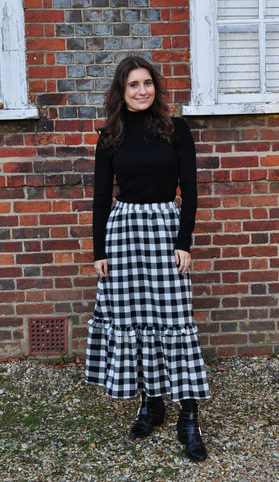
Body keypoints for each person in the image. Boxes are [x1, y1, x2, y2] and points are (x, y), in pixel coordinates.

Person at [85, 55, 210, 462]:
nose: (142, 91)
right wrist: (99, 250)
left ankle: (187, 416)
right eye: (133, 85)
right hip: (123, 235)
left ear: (155, 87)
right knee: (137, 321)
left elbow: (189, 190)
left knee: (174, 319)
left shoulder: (176, 130)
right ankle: (151, 403)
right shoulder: (110, 136)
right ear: (122, 92)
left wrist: (184, 241)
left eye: (147, 83)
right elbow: (102, 196)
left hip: (164, 231)